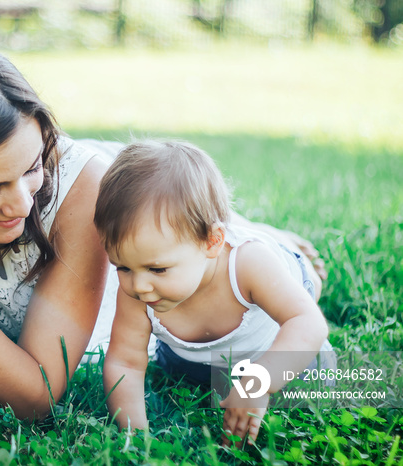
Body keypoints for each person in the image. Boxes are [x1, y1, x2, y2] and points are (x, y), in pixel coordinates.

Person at [0, 32, 326, 464]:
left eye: (31, 166)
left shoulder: (76, 190)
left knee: (195, 241)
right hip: (144, 263)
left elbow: (35, 396)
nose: (20, 203)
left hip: (136, 255)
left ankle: (264, 244)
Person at [93, 140, 335, 448]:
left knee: (316, 381)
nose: (137, 286)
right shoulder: (140, 287)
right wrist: (135, 437)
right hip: (192, 357)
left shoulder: (247, 265)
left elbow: (307, 323)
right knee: (188, 380)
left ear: (212, 242)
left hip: (270, 339)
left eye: (157, 269)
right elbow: (125, 362)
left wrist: (259, 382)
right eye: (122, 267)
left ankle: (298, 263)